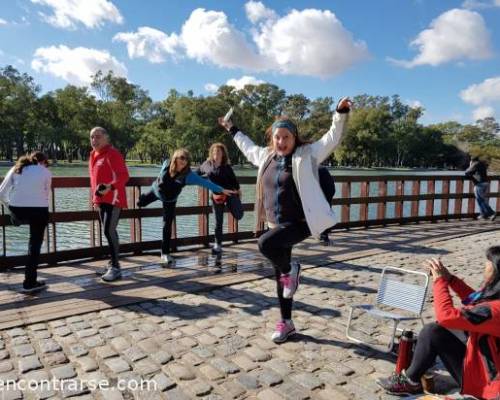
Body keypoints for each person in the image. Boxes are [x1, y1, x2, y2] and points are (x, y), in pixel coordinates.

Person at [218, 98, 351, 343]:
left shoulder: (307, 155)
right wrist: (232, 129)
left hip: (299, 223)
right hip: (275, 224)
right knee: (282, 278)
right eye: (277, 137)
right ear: (272, 139)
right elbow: (246, 146)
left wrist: (340, 113)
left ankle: (293, 269)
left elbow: (332, 138)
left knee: (265, 246)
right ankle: (287, 322)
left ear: (294, 138)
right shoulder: (266, 157)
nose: (281, 142)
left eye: (286, 137)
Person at [377, 247, 500, 399]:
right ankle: (412, 377)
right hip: (480, 366)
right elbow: (473, 299)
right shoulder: (495, 299)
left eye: (488, 264)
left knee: (432, 331)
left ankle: (410, 381)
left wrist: (439, 281)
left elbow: (446, 316)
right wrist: (450, 279)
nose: (485, 267)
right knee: (437, 331)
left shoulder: (495, 310)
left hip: (486, 385)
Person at [137, 148, 236, 265]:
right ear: (175, 158)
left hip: (170, 200)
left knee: (166, 225)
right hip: (156, 191)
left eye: (186, 159)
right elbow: (160, 175)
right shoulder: (166, 164)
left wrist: (222, 190)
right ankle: (140, 200)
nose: (184, 161)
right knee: (140, 203)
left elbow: (206, 183)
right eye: (182, 158)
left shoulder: (188, 176)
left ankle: (164, 254)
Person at [0, 152, 52, 293]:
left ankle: (16, 220)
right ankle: (29, 282)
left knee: (17, 217)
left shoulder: (17, 168)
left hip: (19, 211)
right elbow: (46, 196)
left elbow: (1, 192)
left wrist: (11, 209)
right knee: (34, 244)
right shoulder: (46, 172)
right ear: (43, 162)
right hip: (39, 211)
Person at [89, 127, 129, 282]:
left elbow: (124, 176)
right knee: (109, 231)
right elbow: (94, 180)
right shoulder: (93, 155)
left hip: (114, 199)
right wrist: (95, 198)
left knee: (108, 230)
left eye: (97, 136)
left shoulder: (113, 154)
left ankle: (116, 268)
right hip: (101, 200)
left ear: (106, 138)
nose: (94, 140)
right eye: (92, 137)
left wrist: (109, 187)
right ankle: (112, 263)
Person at [196, 143, 244, 255]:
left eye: (218, 152)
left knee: (239, 215)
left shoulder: (227, 167)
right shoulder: (206, 165)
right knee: (218, 221)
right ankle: (218, 245)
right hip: (217, 197)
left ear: (223, 154)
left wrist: (238, 191)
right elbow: (196, 173)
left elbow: (235, 183)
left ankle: (235, 209)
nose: (216, 154)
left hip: (230, 194)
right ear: (211, 153)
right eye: (214, 151)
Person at [465, 156, 496, 221]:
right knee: (481, 199)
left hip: (480, 184)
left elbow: (467, 172)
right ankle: (483, 215)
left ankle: (491, 213)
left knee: (481, 200)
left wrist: (470, 165)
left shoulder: (475, 164)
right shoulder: (481, 163)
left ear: (472, 160)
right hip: (485, 183)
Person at [318, 166, 336, 245]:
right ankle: (324, 235)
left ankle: (323, 235)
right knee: (326, 214)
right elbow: (331, 187)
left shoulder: (317, 169)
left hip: (322, 195)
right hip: (326, 195)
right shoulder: (323, 169)